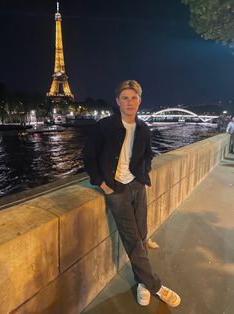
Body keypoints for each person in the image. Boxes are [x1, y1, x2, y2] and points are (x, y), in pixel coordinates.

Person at [84, 80, 181, 307]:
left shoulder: (144, 128)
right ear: (117, 101)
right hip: (115, 189)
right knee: (132, 239)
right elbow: (89, 158)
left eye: (134, 97)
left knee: (142, 234)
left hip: (137, 186)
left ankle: (141, 283)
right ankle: (156, 286)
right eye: (125, 98)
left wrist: (143, 173)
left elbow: (148, 154)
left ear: (140, 101)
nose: (130, 102)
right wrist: (103, 185)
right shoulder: (103, 127)